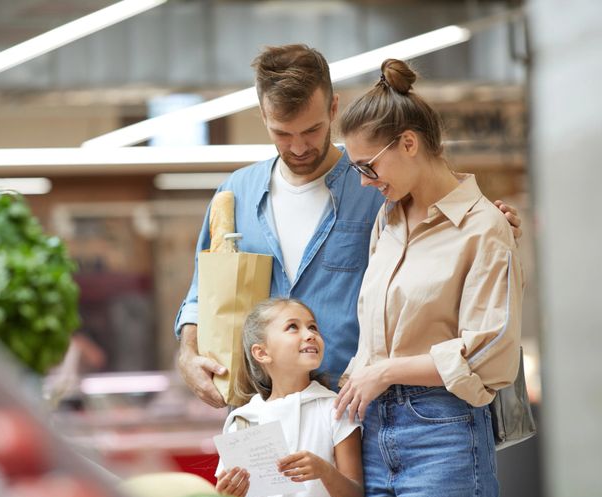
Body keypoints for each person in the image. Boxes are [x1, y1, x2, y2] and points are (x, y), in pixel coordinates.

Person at [174, 44, 522, 408]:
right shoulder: (234, 196)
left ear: (334, 109)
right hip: (262, 410)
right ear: (263, 115)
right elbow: (201, 294)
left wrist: (494, 223)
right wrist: (188, 353)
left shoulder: (381, 189)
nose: (298, 147)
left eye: (311, 130)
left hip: (357, 410)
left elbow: (450, 236)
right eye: (282, 133)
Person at [333, 59, 524, 497]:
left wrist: (385, 371)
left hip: (444, 434)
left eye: (367, 165)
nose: (363, 180)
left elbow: (488, 353)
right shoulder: (387, 222)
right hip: (373, 430)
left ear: (410, 143)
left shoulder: (484, 227)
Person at [215, 298, 363, 497]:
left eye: (313, 327)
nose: (310, 334)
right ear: (262, 352)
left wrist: (323, 470)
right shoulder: (242, 420)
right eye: (293, 327)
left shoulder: (335, 408)